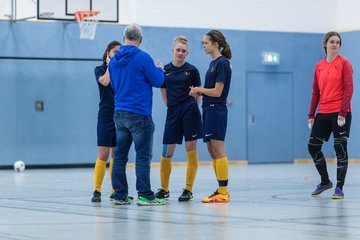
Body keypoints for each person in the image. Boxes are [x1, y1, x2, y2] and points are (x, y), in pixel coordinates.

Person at [108, 23, 166, 206]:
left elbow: (114, 85)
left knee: (119, 157)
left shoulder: (114, 60)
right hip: (139, 115)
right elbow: (157, 81)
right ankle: (145, 195)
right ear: (140, 39)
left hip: (119, 113)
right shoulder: (143, 58)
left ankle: (119, 195)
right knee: (142, 157)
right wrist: (160, 70)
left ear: (124, 37)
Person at [154, 36, 202, 202]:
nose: (180, 53)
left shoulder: (193, 70)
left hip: (190, 113)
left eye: (183, 51)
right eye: (178, 50)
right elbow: (163, 92)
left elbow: (197, 94)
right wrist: (172, 106)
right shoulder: (165, 70)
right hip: (173, 114)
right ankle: (164, 189)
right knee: (167, 152)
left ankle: (188, 189)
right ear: (172, 51)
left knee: (190, 149)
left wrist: (191, 108)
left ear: (187, 53)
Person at [307, 31, 353, 199]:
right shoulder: (319, 65)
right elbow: (315, 92)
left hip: (341, 113)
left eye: (338, 42)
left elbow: (349, 89)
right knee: (313, 146)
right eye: (332, 41)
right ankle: (325, 181)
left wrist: (342, 112)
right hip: (323, 112)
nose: (335, 44)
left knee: (339, 147)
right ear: (325, 44)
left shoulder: (344, 63)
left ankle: (339, 188)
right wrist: (311, 114)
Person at [190, 30, 232, 203]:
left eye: (206, 42)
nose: (204, 46)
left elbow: (217, 91)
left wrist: (199, 89)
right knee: (212, 150)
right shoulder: (213, 63)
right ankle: (220, 189)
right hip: (208, 109)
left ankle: (224, 191)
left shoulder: (222, 63)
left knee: (218, 149)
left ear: (216, 44)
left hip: (216, 109)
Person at [92, 40, 121, 202]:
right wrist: (111, 66)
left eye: (119, 52)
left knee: (116, 155)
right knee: (103, 154)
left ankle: (115, 190)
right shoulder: (100, 69)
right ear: (108, 53)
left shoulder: (121, 70)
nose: (117, 54)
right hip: (105, 115)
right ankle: (97, 190)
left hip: (120, 114)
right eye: (115, 51)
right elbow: (104, 81)